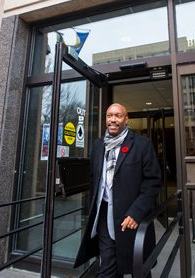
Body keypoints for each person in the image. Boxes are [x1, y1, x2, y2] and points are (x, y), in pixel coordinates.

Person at [74, 103, 161, 277]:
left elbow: (153, 182)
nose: (113, 119)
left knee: (139, 267)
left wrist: (136, 213)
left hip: (131, 218)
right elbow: (94, 179)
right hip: (105, 217)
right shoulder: (98, 146)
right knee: (107, 268)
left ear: (126, 119)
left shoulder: (142, 145)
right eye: (109, 116)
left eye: (118, 116)